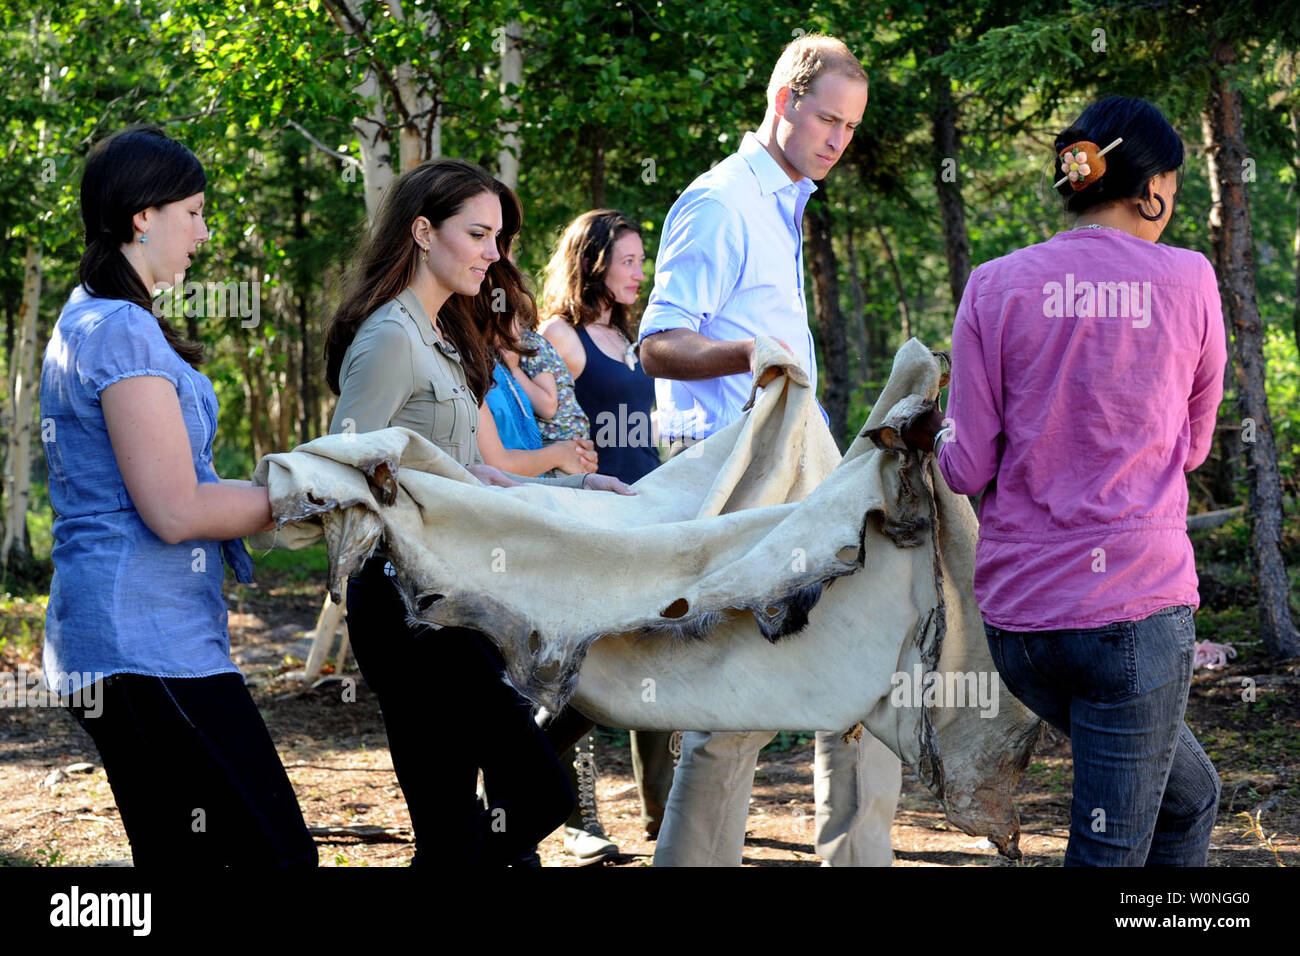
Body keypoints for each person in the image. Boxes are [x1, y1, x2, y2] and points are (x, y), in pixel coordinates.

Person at [904, 95, 1225, 865]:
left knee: (1188, 798)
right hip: (1132, 619)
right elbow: (1193, 449)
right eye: (1173, 192)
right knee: (1107, 849)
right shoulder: (1189, 280)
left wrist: (938, 434)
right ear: (1152, 189)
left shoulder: (994, 285)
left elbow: (967, 465)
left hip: (1023, 626)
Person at [635, 34, 903, 867]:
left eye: (851, 128)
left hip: (798, 490)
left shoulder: (784, 201)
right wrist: (748, 356)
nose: (838, 140)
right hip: (739, 495)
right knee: (733, 714)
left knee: (863, 680)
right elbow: (657, 344)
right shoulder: (721, 202)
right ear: (784, 100)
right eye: (828, 119)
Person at [322, 157, 634, 866]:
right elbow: (345, 472)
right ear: (423, 231)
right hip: (407, 607)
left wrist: (581, 492)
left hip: (455, 594)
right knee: (539, 796)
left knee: (453, 829)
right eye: (479, 234)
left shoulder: (441, 332)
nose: (495, 254)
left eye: (498, 237)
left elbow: (470, 474)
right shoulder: (390, 337)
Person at [39, 125, 317, 867]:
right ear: (142, 215)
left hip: (127, 639)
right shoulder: (120, 327)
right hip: (144, 644)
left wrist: (290, 490)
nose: (203, 232)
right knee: (275, 857)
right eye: (193, 212)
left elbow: (175, 489)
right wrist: (306, 497)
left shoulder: (92, 317)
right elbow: (175, 510)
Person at [539, 210, 675, 857]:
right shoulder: (560, 337)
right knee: (587, 675)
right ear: (592, 262)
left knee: (657, 654)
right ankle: (544, 796)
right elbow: (537, 428)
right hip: (593, 527)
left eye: (641, 260)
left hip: (645, 517)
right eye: (627, 260)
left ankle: (664, 815)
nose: (639, 272)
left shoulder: (629, 337)